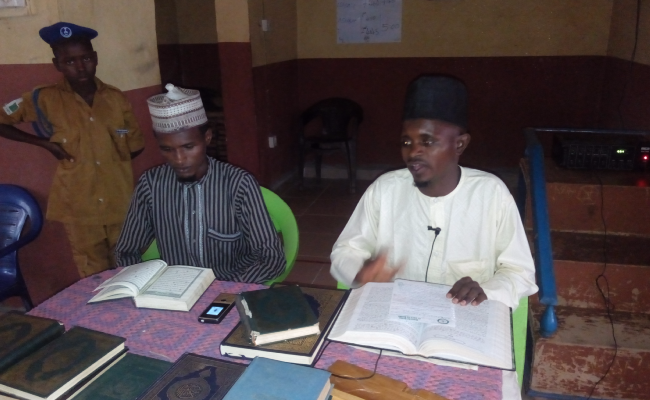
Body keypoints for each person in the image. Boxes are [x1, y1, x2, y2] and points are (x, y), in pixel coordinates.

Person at [330, 75, 537, 398]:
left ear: (460, 144)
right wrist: (360, 271)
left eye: (428, 142)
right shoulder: (385, 190)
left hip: (465, 336)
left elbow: (520, 273)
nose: (413, 152)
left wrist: (487, 289)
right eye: (406, 142)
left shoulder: (491, 194)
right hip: (391, 332)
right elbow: (345, 251)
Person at [0, 22, 144, 277]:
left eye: (86, 58)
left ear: (95, 58)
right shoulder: (44, 99)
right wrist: (43, 143)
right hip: (79, 206)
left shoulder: (115, 98)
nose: (80, 67)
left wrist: (110, 157)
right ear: (57, 64)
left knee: (129, 268)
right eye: (69, 61)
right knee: (93, 275)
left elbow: (134, 143)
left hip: (119, 202)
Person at [114, 84, 285, 283]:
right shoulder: (150, 185)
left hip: (231, 285)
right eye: (167, 149)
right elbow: (125, 252)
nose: (179, 159)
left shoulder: (239, 184)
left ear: (207, 138)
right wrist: (142, 286)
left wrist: (224, 290)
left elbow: (272, 259)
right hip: (176, 287)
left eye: (188, 147)